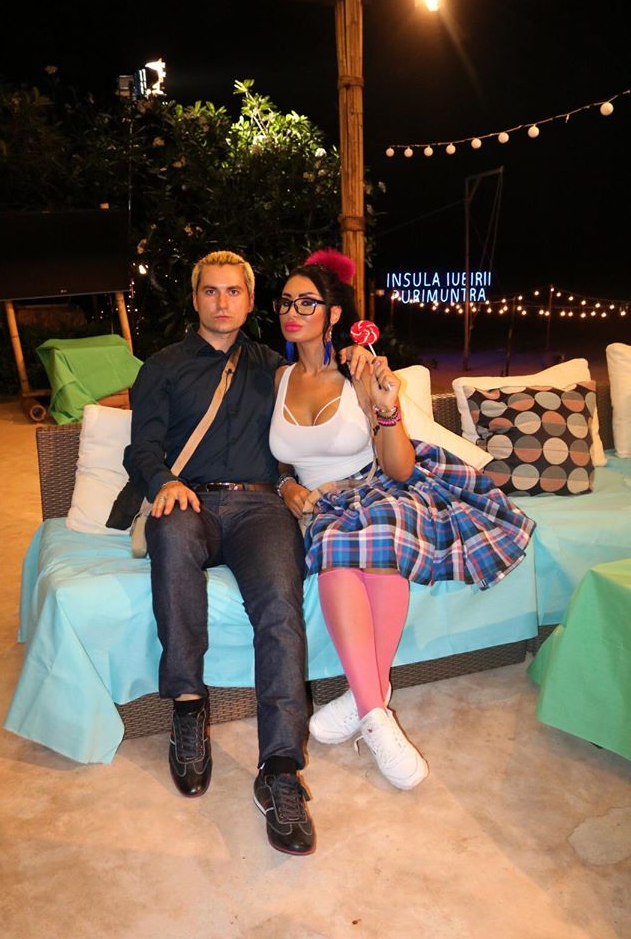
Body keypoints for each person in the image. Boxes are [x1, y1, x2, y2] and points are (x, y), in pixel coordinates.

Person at [123, 249, 370, 857]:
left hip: (261, 508)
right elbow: (141, 447)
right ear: (195, 298)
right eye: (210, 291)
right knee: (173, 535)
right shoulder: (162, 366)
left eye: (234, 291)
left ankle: (280, 768)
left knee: (280, 607)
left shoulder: (273, 369)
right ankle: (188, 707)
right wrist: (164, 483)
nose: (222, 301)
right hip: (190, 500)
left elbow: (317, 388)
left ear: (250, 300)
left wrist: (355, 354)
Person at [269, 249, 536, 791]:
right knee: (335, 538)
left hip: (378, 484)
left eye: (307, 302)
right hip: (320, 504)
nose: (292, 312)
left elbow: (400, 467)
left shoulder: (359, 370)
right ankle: (374, 700)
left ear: (333, 314)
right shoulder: (278, 377)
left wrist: (386, 404)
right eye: (285, 302)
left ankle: (370, 715)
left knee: (367, 540)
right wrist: (287, 486)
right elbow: (277, 458)